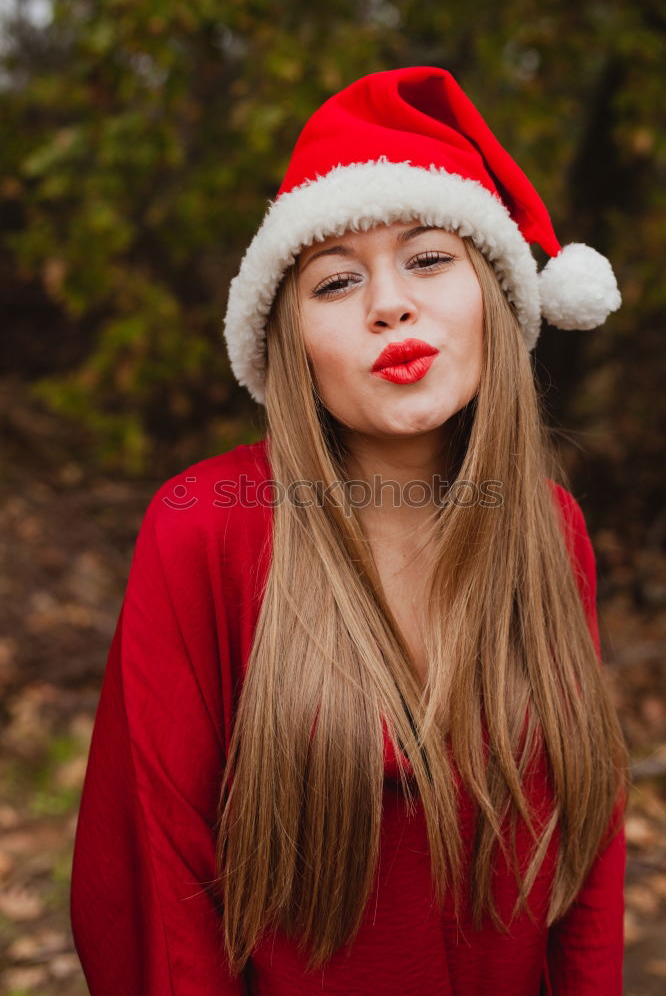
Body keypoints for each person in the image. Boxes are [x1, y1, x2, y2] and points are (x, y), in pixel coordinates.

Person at [70, 66, 629, 996]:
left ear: (495, 296)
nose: (388, 305)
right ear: (291, 343)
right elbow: (156, 885)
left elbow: (587, 855)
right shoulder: (205, 528)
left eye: (429, 259)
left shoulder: (548, 525)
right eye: (335, 282)